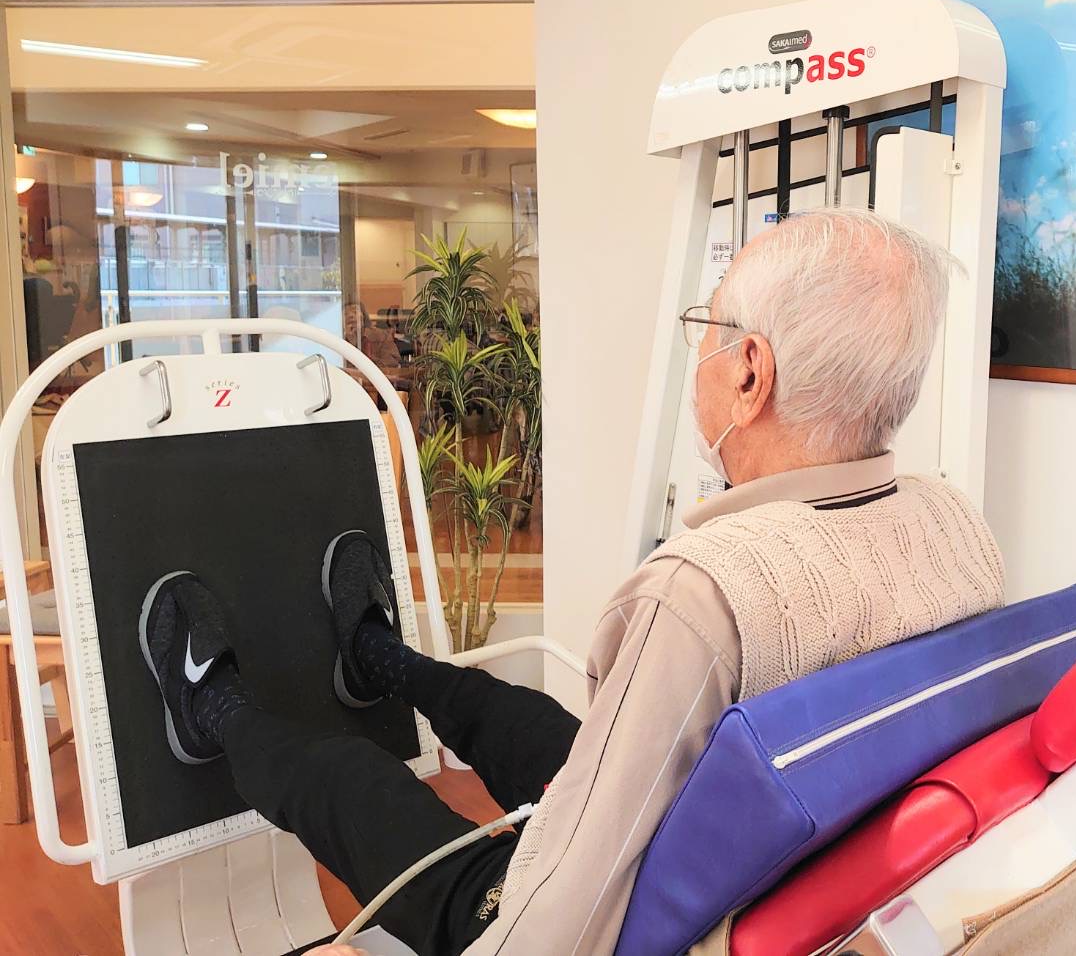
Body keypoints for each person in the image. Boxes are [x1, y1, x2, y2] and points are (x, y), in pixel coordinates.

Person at [137, 208, 1007, 955]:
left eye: (708, 328)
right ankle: (383, 661)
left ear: (749, 371)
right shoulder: (951, 523)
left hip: (636, 919)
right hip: (746, 844)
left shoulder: (704, 592)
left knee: (353, 781)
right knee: (531, 726)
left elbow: (554, 926)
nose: (702, 354)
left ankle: (214, 707)